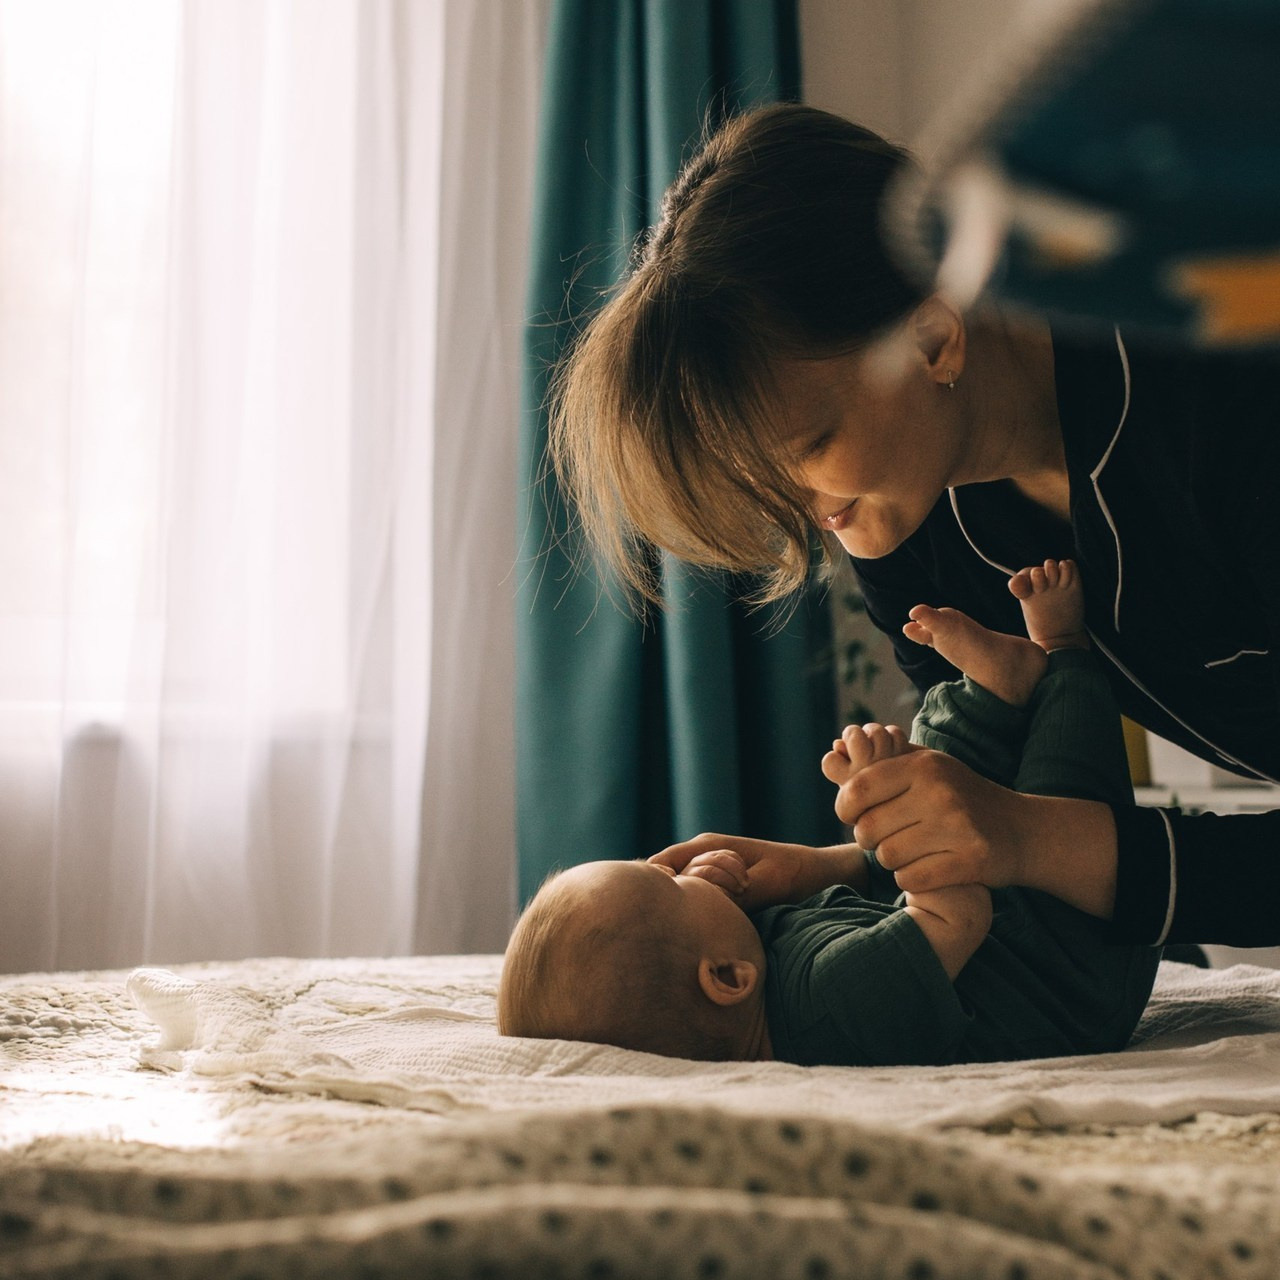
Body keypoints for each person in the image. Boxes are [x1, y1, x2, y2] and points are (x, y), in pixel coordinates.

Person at [550, 100, 1280, 949]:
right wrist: (851, 865)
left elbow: (1034, 834)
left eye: (808, 447)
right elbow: (1010, 806)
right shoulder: (910, 517)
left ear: (934, 340)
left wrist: (1023, 837)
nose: (802, 513)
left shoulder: (1230, 402)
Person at [499, 562, 1160, 1065]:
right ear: (724, 977)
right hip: (1063, 969)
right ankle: (1068, 652)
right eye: (672, 884)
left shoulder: (753, 968)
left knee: (939, 783)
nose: (686, 868)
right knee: (1057, 779)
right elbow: (957, 913)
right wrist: (888, 808)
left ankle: (993, 693)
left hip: (997, 933)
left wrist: (856, 837)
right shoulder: (831, 1002)